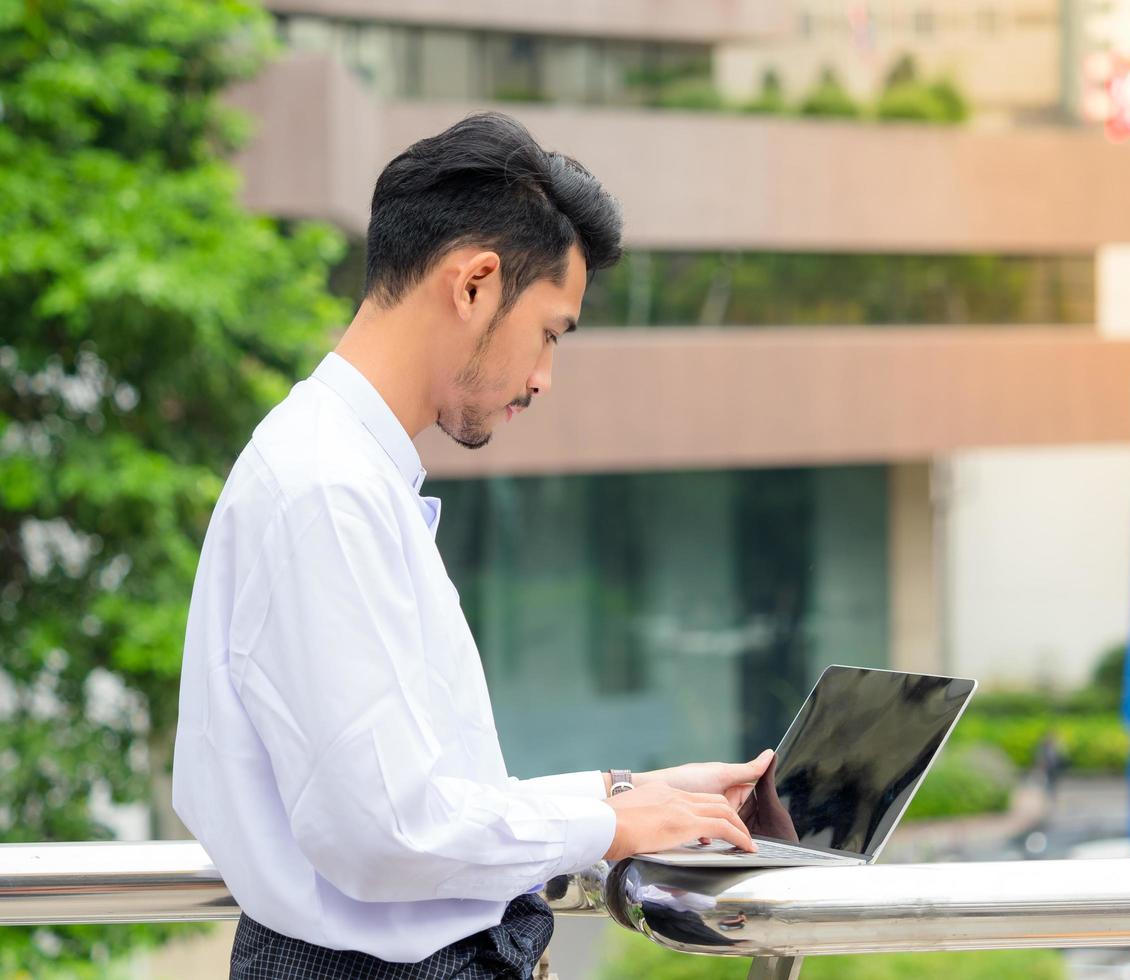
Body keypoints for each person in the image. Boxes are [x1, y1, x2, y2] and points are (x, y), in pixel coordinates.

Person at [172, 112, 772, 979]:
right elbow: (387, 836)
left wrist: (625, 795)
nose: (542, 377)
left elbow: (407, 803)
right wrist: (608, 823)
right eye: (550, 332)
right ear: (476, 284)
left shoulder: (339, 468)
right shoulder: (327, 489)